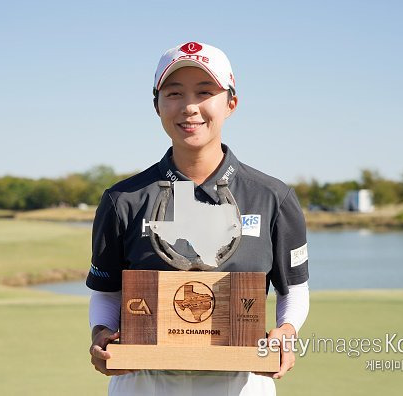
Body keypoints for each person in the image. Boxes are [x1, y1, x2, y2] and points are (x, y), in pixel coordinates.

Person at [87, 41, 310, 396]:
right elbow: (107, 293)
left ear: (231, 103)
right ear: (156, 105)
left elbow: (293, 288)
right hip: (143, 383)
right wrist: (101, 333)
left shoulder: (273, 197)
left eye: (205, 92)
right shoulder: (122, 200)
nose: (189, 107)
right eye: (174, 93)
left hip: (242, 382)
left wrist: (286, 331)